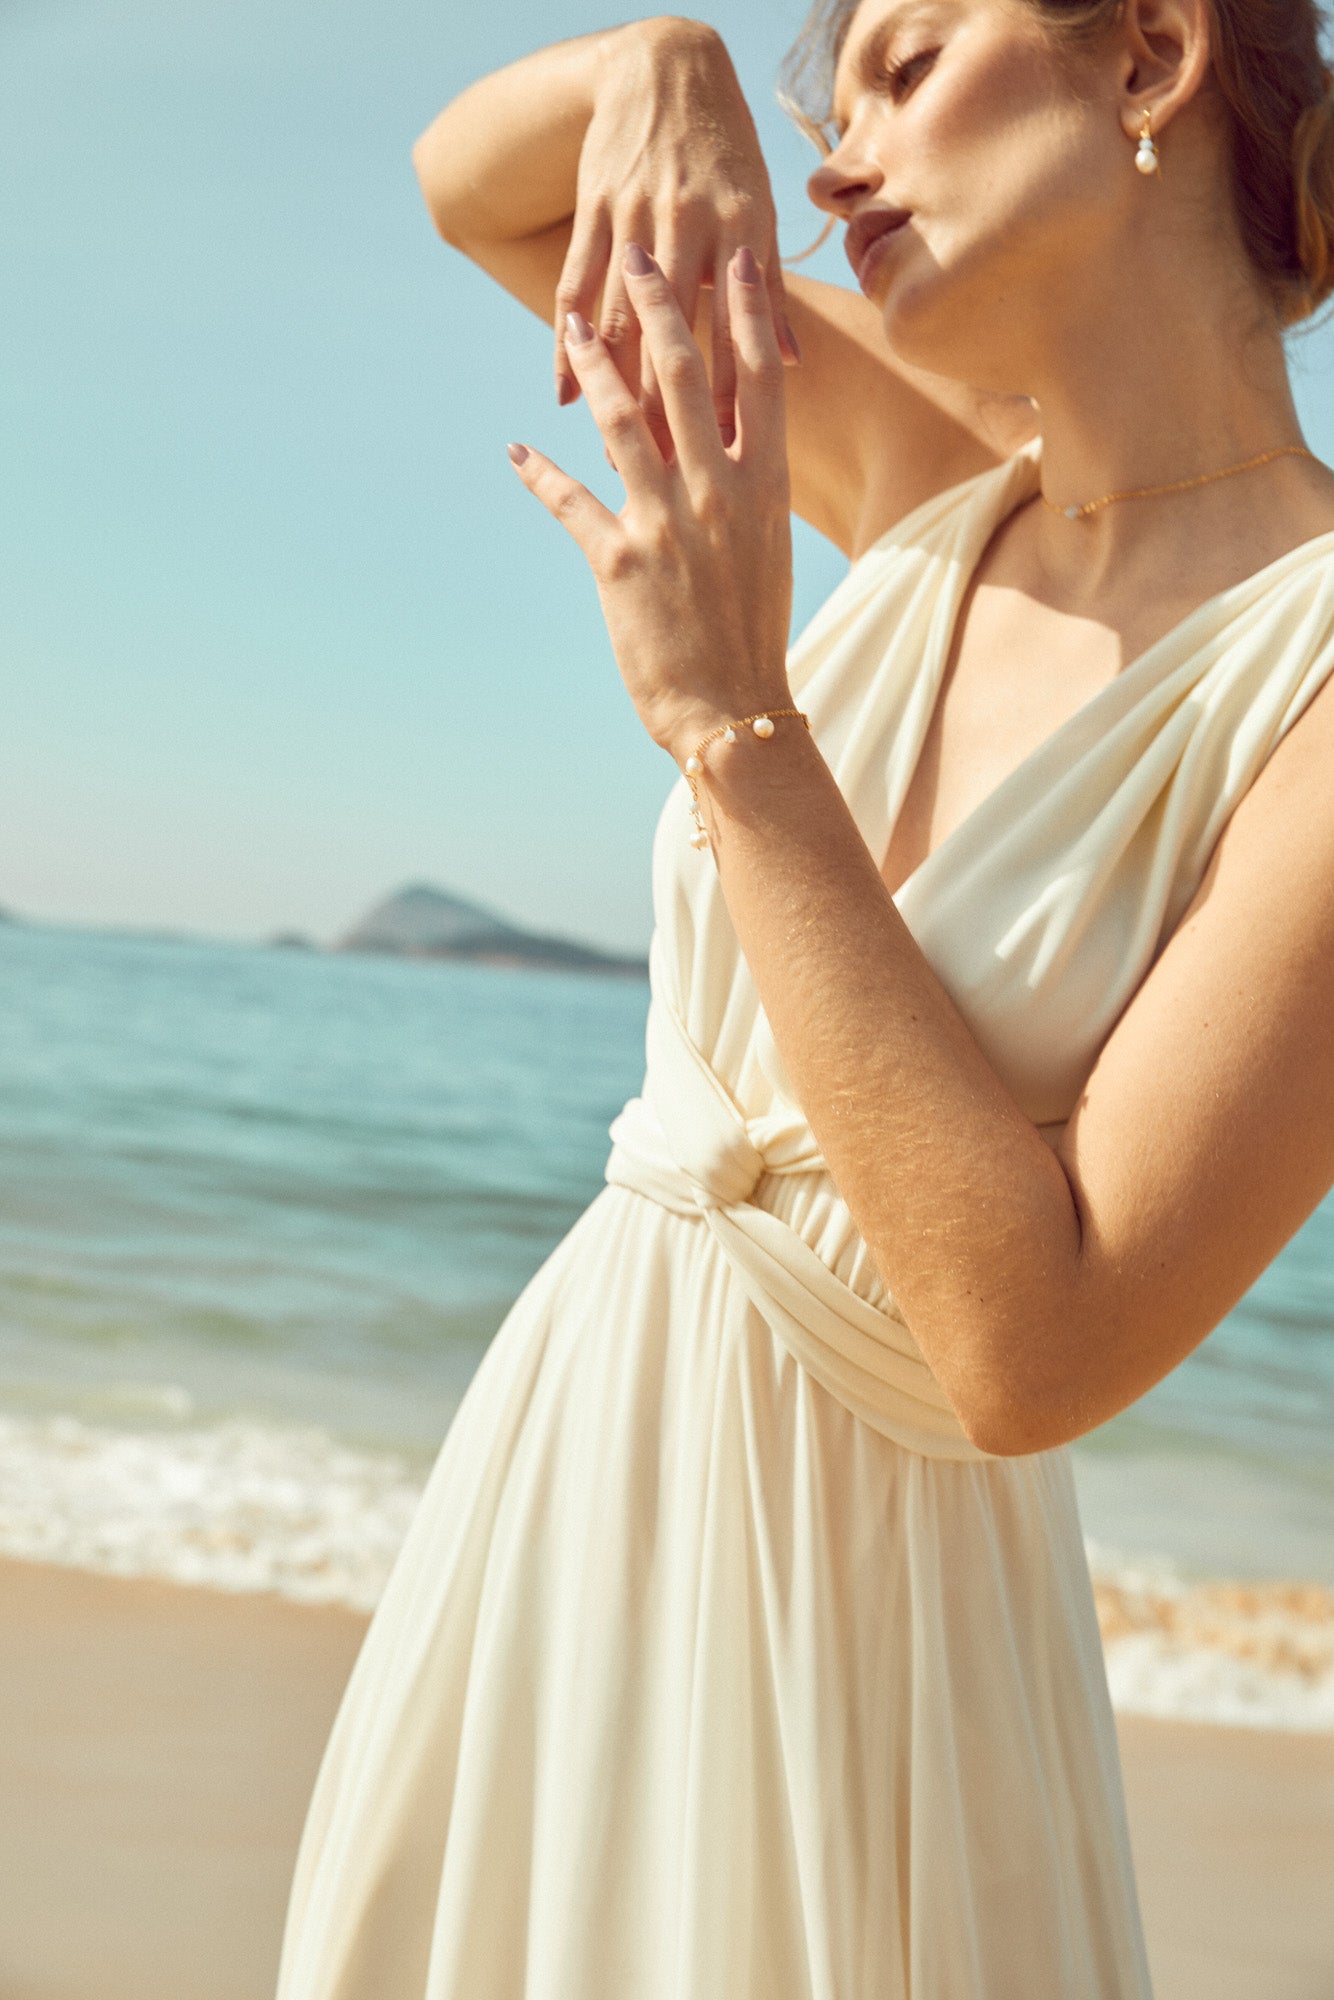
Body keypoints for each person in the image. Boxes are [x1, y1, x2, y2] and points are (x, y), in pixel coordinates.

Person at [276, 2, 1334, 1993]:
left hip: (873, 1608)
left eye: (911, 67)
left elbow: (1035, 1346)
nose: (832, 169)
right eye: (816, 111)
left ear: (1147, 62)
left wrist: (734, 729)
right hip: (575, 1471)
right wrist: (654, 66)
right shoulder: (935, 483)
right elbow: (472, 187)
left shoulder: (1310, 672)